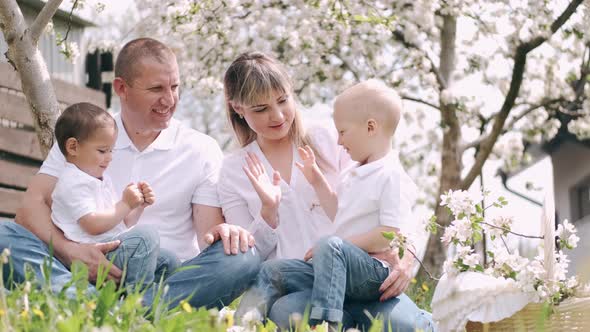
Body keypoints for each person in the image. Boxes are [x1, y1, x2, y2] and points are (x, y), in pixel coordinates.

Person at [0, 38, 260, 309]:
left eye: (174, 87)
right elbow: (29, 209)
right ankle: (117, 308)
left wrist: (225, 231)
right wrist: (71, 251)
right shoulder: (86, 135)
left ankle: (111, 309)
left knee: (243, 257)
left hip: (165, 278)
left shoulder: (200, 148)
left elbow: (208, 235)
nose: (169, 100)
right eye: (156, 88)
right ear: (122, 88)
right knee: (3, 234)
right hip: (80, 267)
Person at [218, 51, 435, 331]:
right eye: (260, 109)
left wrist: (408, 257)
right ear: (238, 108)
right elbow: (249, 257)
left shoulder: (333, 138)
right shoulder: (234, 170)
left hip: (360, 272)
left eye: (283, 100)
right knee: (288, 314)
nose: (278, 115)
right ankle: (341, 324)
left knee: (406, 326)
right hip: (302, 286)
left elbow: (392, 193)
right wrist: (268, 213)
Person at [51, 102, 175, 290]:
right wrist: (125, 204)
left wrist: (138, 206)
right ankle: (136, 302)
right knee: (146, 236)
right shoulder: (72, 181)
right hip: (95, 256)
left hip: (112, 247)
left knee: (169, 261)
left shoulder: (99, 178)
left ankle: (160, 300)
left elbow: (120, 223)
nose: (109, 157)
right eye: (102, 151)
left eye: (111, 151)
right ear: (73, 147)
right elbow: (93, 225)